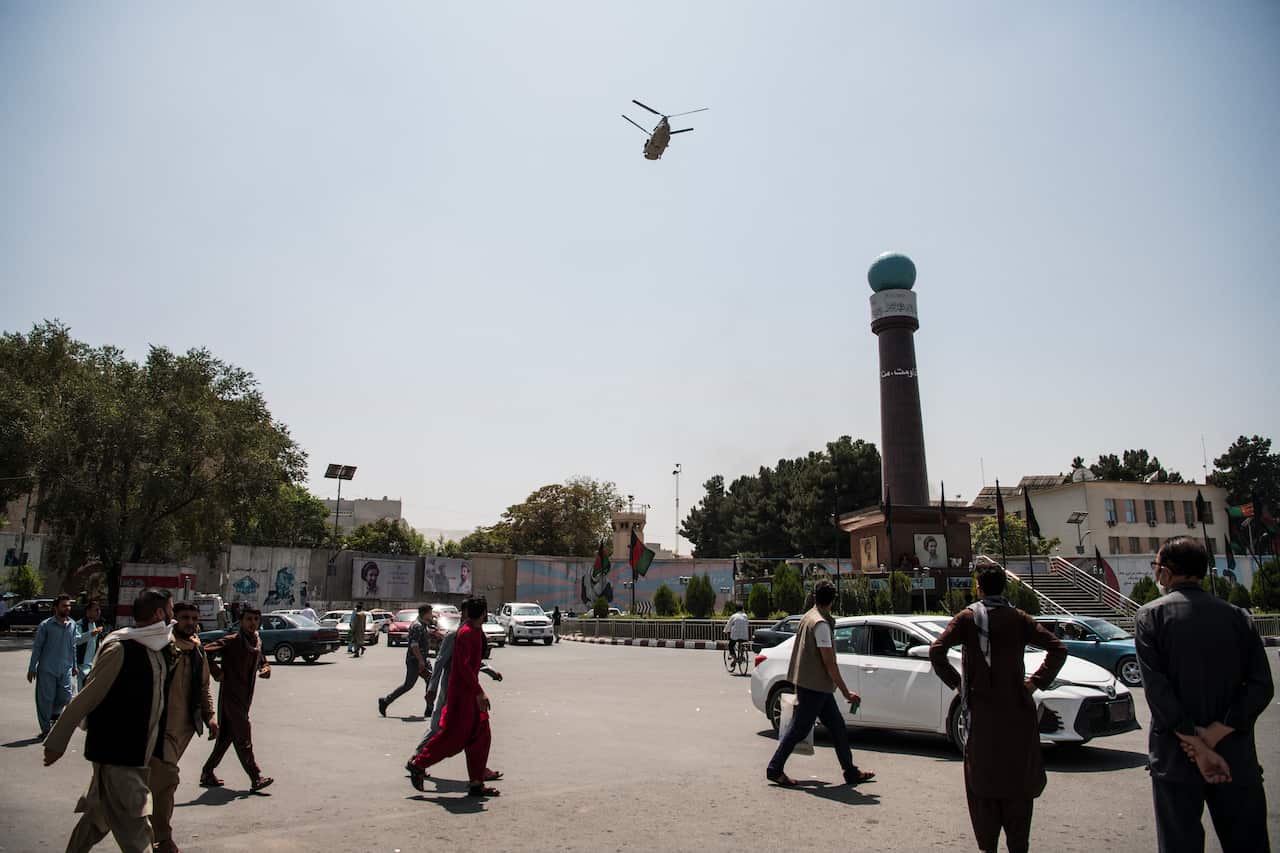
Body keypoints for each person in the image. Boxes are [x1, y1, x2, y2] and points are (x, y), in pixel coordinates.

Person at [1136, 536, 1272, 853]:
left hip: (1175, 758)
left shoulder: (1151, 617)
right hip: (1234, 756)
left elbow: (1158, 691)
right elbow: (1261, 687)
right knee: (1248, 842)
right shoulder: (1239, 617)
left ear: (1166, 573)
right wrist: (1215, 734)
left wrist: (1195, 742)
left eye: (1156, 567)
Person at [928, 565, 1067, 853]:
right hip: (1017, 710)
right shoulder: (1019, 618)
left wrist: (958, 684)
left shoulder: (968, 618)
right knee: (1018, 785)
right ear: (1004, 586)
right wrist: (1034, 683)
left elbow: (936, 650)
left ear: (978, 587)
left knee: (983, 785)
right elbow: (1057, 648)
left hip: (982, 713)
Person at [43, 588, 173, 853]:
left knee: (96, 820)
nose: (173, 615)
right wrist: (57, 741)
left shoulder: (157, 648)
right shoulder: (120, 648)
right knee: (138, 834)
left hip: (136, 756)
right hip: (119, 757)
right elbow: (86, 698)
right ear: (160, 613)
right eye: (170, 609)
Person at [765, 581, 874, 788]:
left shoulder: (808, 617)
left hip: (815, 686)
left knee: (837, 727)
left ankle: (850, 771)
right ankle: (774, 768)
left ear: (815, 597)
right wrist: (845, 692)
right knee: (800, 728)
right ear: (833, 600)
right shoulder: (821, 624)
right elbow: (829, 663)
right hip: (815, 686)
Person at [406, 597, 500, 797]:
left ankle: (476, 782)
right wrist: (479, 692)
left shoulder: (474, 632)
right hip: (460, 694)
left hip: (469, 692)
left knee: (481, 735)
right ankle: (418, 763)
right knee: (453, 737)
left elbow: (474, 664)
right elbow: (460, 666)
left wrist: (487, 676)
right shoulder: (463, 634)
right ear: (483, 613)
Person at [150, 601, 217, 853]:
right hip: (159, 728)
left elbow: (204, 686)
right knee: (167, 780)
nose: (190, 622)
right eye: (184, 617)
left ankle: (149, 832)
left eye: (193, 618)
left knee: (154, 784)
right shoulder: (161, 648)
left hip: (183, 730)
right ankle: (163, 839)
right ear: (173, 620)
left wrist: (210, 716)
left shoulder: (197, 649)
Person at [200, 606, 273, 791]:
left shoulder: (256, 640)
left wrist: (265, 667)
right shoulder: (232, 640)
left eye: (256, 619)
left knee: (226, 736)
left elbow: (261, 657)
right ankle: (256, 777)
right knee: (243, 735)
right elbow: (204, 651)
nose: (253, 623)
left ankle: (207, 772)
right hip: (231, 695)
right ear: (241, 621)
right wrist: (217, 672)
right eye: (249, 619)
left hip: (246, 695)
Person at [422, 612, 502, 744]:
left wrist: (491, 672)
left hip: (467, 688)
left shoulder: (470, 634)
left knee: (470, 725)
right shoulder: (453, 636)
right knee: (437, 726)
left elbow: (472, 661)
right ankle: (418, 756)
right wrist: (432, 688)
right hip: (450, 686)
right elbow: (440, 662)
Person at [28, 594, 80, 739]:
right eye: (64, 605)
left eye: (69, 605)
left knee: (66, 696)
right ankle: (46, 729)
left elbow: (73, 646)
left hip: (66, 668)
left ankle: (54, 714)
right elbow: (37, 647)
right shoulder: (46, 625)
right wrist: (32, 667)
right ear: (55, 608)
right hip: (47, 669)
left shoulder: (72, 624)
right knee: (45, 700)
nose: (67, 608)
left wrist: (75, 665)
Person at [379, 604, 433, 716]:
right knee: (408, 685)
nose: (432, 615)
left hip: (422, 660)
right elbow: (414, 645)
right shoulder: (417, 626)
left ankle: (429, 708)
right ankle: (385, 701)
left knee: (431, 681)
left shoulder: (423, 625)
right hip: (415, 661)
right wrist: (420, 661)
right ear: (426, 613)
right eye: (430, 613)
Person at [75, 600, 106, 691]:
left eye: (99, 610)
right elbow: (77, 640)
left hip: (92, 667)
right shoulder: (79, 625)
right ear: (88, 612)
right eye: (96, 610)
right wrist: (92, 633)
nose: (98, 612)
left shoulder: (96, 625)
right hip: (79, 668)